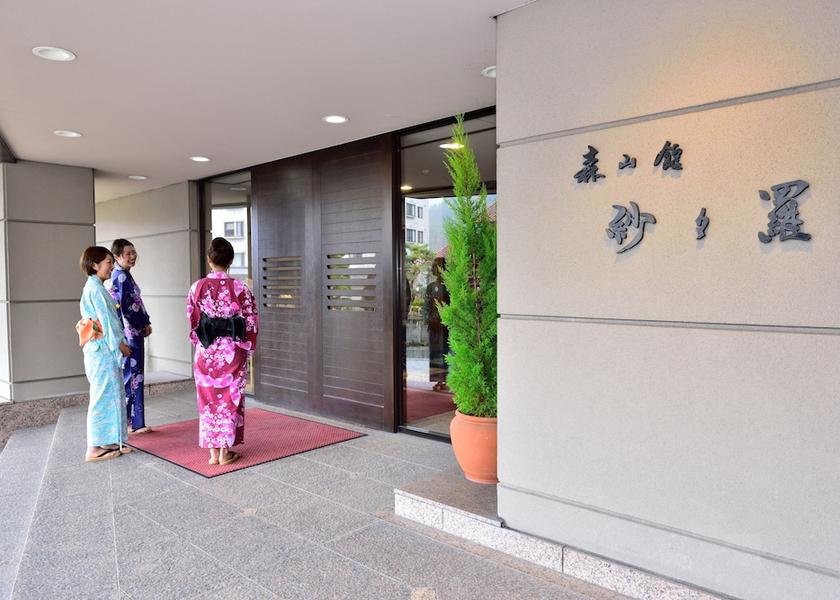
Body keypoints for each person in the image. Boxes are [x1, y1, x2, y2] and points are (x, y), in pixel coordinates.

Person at [187, 238, 258, 466]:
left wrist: (201, 342)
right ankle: (224, 451)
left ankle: (212, 453)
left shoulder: (196, 287)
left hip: (206, 351)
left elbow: (193, 320)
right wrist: (248, 346)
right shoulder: (240, 288)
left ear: (209, 259)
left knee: (207, 402)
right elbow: (251, 321)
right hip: (231, 351)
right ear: (230, 261)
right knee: (229, 400)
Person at [79, 246, 132, 462]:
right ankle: (93, 447)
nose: (112, 266)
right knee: (102, 396)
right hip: (102, 350)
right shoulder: (96, 290)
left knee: (111, 394)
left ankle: (108, 440)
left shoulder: (95, 287)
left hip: (100, 349)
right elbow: (108, 323)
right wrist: (120, 345)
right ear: (95, 265)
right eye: (108, 262)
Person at [110, 239, 153, 434]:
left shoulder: (123, 275)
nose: (133, 256)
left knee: (131, 376)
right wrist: (143, 322)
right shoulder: (121, 277)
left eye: (134, 252)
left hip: (130, 331)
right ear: (117, 256)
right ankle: (134, 423)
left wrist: (145, 321)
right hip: (130, 332)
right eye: (128, 253)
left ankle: (130, 422)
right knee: (133, 377)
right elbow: (129, 308)